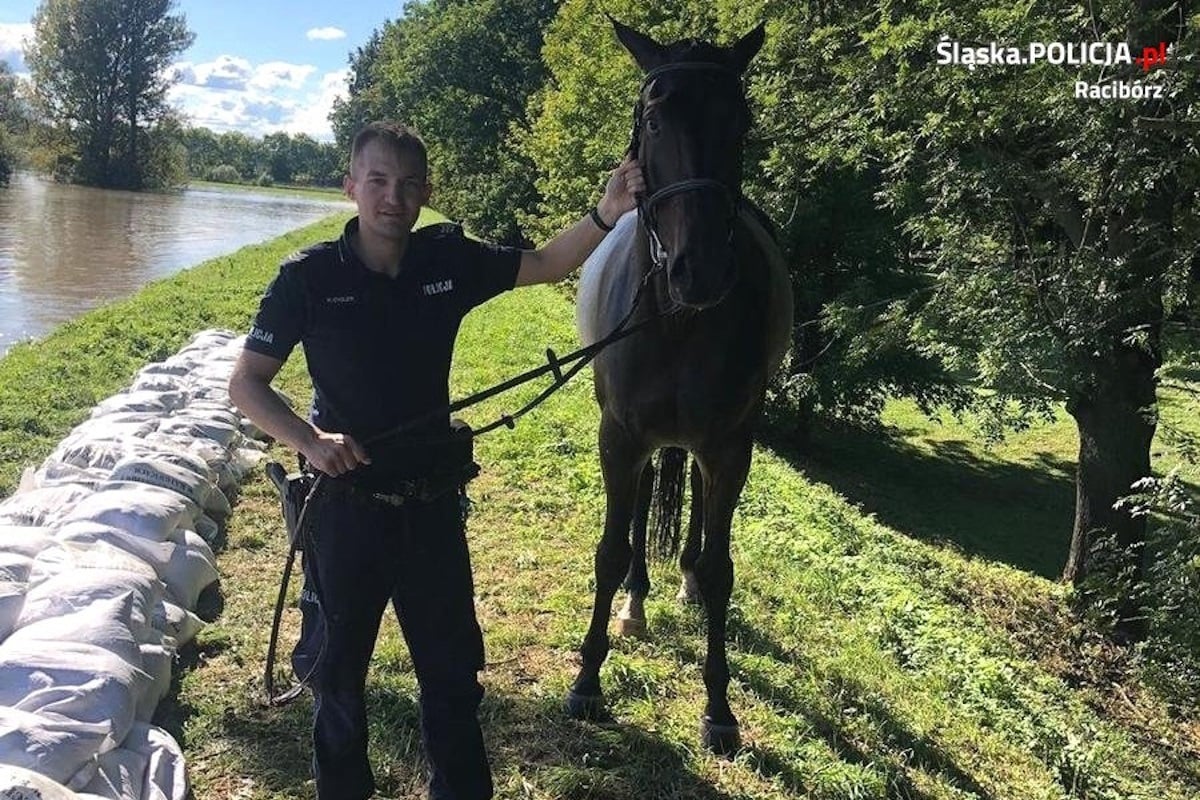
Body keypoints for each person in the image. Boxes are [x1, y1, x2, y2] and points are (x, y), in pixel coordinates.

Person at [227, 120, 644, 800]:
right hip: (342, 511)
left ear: (426, 193)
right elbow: (247, 383)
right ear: (351, 186)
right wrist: (310, 441)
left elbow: (544, 263)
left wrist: (608, 211)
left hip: (430, 511)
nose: (393, 197)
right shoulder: (306, 278)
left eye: (409, 184)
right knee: (336, 681)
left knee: (452, 679)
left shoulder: (448, 263)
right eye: (379, 180)